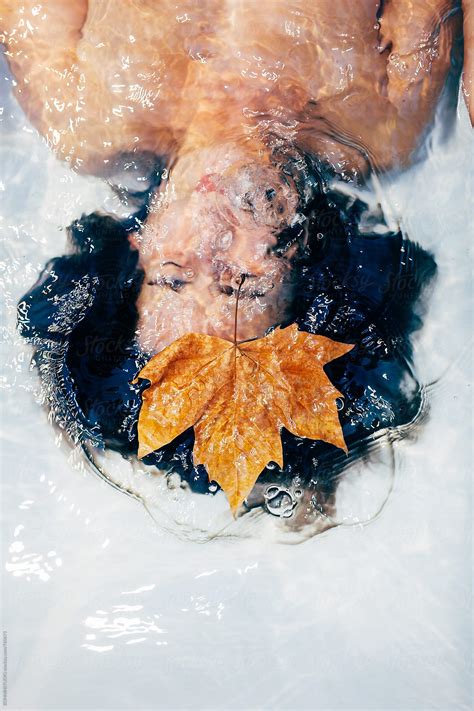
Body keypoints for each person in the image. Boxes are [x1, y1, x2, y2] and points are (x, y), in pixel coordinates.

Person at [1, 1, 467, 522]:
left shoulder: (83, 110)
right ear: (304, 261)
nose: (211, 237)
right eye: (241, 286)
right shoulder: (381, 121)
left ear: (139, 244)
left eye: (175, 278)